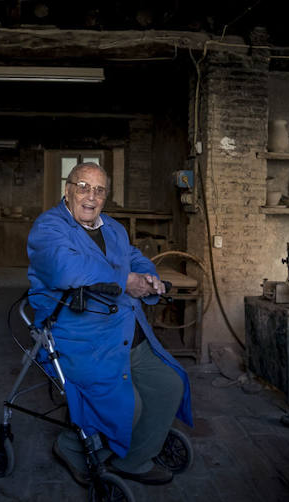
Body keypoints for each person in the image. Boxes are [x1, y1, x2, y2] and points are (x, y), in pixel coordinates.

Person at [27, 162, 193, 485]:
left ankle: (131, 459)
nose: (91, 196)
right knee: (129, 408)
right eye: (83, 187)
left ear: (106, 197)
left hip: (125, 333)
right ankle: (71, 447)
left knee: (170, 385)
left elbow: (135, 258)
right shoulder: (48, 228)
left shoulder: (114, 229)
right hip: (78, 338)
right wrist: (125, 280)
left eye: (100, 190)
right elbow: (65, 268)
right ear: (68, 189)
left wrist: (149, 277)